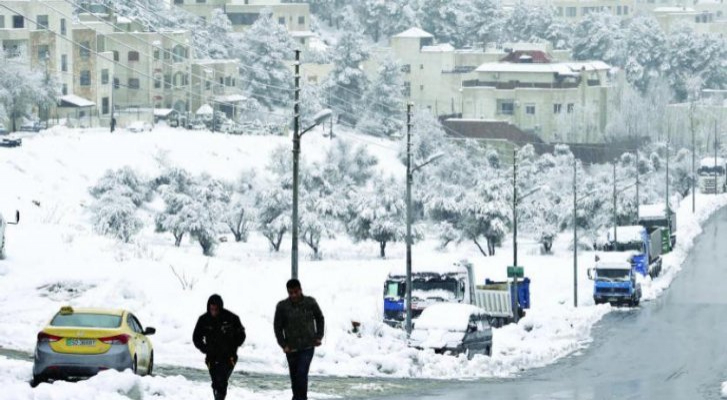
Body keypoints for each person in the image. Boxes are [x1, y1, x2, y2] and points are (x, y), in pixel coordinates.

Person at [274, 279, 325, 400]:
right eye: (290, 293)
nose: (294, 295)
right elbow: (277, 327)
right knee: (295, 377)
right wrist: (283, 344)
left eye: (296, 292)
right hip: (291, 348)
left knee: (302, 374)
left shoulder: (310, 303)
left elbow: (320, 318)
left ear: (300, 290)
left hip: (307, 346)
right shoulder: (283, 306)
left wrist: (319, 336)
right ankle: (297, 397)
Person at [193, 294, 246, 400]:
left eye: (216, 309)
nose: (213, 311)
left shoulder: (231, 318)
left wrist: (233, 346)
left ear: (220, 308)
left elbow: (241, 335)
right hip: (211, 357)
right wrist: (205, 348)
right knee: (216, 382)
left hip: (228, 357)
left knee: (221, 380)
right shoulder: (204, 320)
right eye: (211, 309)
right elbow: (196, 337)